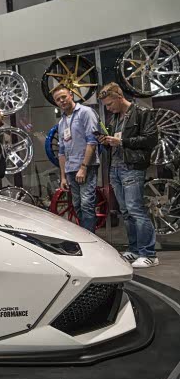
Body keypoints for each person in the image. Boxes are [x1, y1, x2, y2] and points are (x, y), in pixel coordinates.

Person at [97, 82, 158, 268]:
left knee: (135, 210)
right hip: (115, 168)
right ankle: (134, 249)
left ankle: (149, 254)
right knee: (126, 211)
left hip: (132, 167)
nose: (108, 108)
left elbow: (150, 139)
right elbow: (116, 142)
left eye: (110, 104)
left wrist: (122, 142)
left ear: (119, 97)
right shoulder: (115, 118)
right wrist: (106, 141)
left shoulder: (141, 113)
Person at [54, 86, 100, 233]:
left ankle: (91, 239)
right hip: (70, 169)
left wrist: (83, 167)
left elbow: (92, 141)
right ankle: (86, 235)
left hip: (86, 167)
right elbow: (61, 151)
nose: (61, 101)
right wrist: (63, 176)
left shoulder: (86, 112)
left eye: (64, 97)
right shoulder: (61, 122)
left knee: (87, 204)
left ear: (71, 95)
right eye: (58, 99)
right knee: (77, 205)